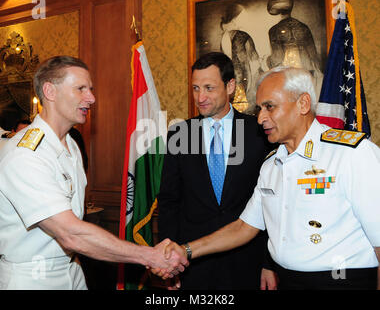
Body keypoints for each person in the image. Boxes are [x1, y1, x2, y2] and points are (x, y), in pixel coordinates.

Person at [161, 66, 380, 290]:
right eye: (259, 109)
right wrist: (186, 250)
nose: (260, 118)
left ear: (303, 104)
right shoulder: (271, 165)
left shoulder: (351, 154)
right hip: (287, 282)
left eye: (269, 107)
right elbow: (243, 228)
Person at [0, 56, 187, 290]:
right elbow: (71, 233)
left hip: (72, 270)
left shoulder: (71, 146)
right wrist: (151, 257)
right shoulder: (25, 154)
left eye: (90, 89)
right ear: (50, 91)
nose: (92, 98)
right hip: (31, 279)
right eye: (80, 89)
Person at [157, 52, 277, 290]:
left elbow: (272, 205)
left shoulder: (259, 132)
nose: (200, 97)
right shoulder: (180, 134)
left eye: (209, 88)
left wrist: (269, 263)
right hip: (193, 263)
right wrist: (169, 261)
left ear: (230, 86)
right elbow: (170, 201)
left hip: (248, 261)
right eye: (195, 88)